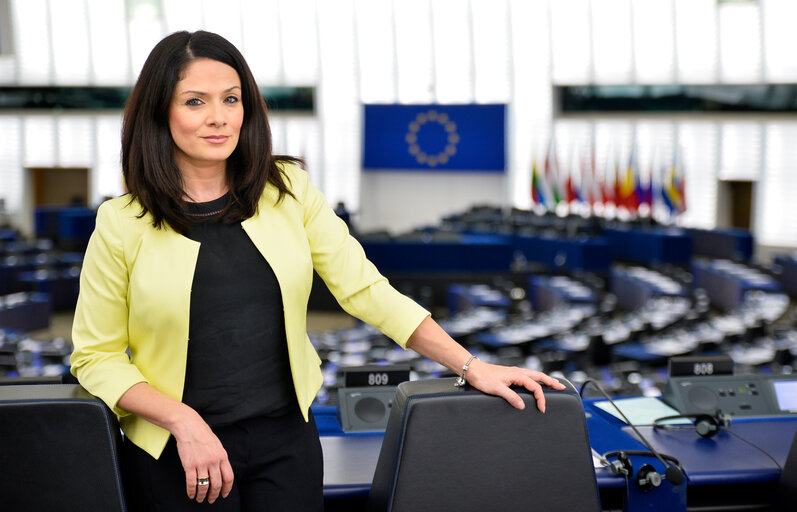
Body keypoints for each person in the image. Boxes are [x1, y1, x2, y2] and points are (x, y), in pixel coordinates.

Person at [70, 30, 565, 512]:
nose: (218, 118)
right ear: (160, 112)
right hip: (178, 450)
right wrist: (182, 421)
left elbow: (366, 289)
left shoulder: (288, 190)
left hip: (286, 443)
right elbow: (96, 357)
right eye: (195, 101)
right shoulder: (120, 223)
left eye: (231, 99)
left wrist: (471, 366)